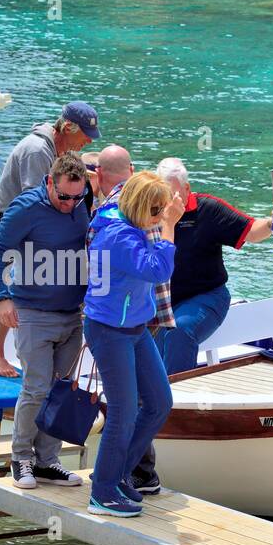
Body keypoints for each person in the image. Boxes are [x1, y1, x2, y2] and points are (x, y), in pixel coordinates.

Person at [0, 154, 92, 489]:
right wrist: (2, 297)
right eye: (63, 197)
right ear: (49, 182)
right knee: (36, 387)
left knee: (60, 390)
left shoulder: (83, 201)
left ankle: (48, 461)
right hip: (33, 312)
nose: (70, 204)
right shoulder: (26, 208)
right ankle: (21, 459)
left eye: (77, 197)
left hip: (72, 313)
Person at [83, 172, 185, 517]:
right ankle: (102, 492)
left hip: (135, 327)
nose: (159, 217)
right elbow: (158, 270)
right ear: (141, 207)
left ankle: (116, 474)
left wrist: (163, 210)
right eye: (156, 211)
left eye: (162, 211)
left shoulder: (126, 219)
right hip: (109, 330)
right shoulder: (118, 236)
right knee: (123, 412)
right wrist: (169, 227)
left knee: (159, 402)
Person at [0, 103, 100, 378]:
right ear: (68, 127)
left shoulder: (59, 146)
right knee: (16, 280)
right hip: (8, 218)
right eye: (85, 134)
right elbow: (38, 204)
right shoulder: (37, 151)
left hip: (26, 216)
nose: (88, 141)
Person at [152, 157, 273, 376]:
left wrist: (272, 223)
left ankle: (175, 403)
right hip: (165, 302)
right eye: (162, 195)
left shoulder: (208, 209)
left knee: (179, 330)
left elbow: (252, 231)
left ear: (187, 189)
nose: (167, 203)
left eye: (173, 195)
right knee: (154, 349)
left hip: (208, 296)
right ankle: (155, 402)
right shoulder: (151, 213)